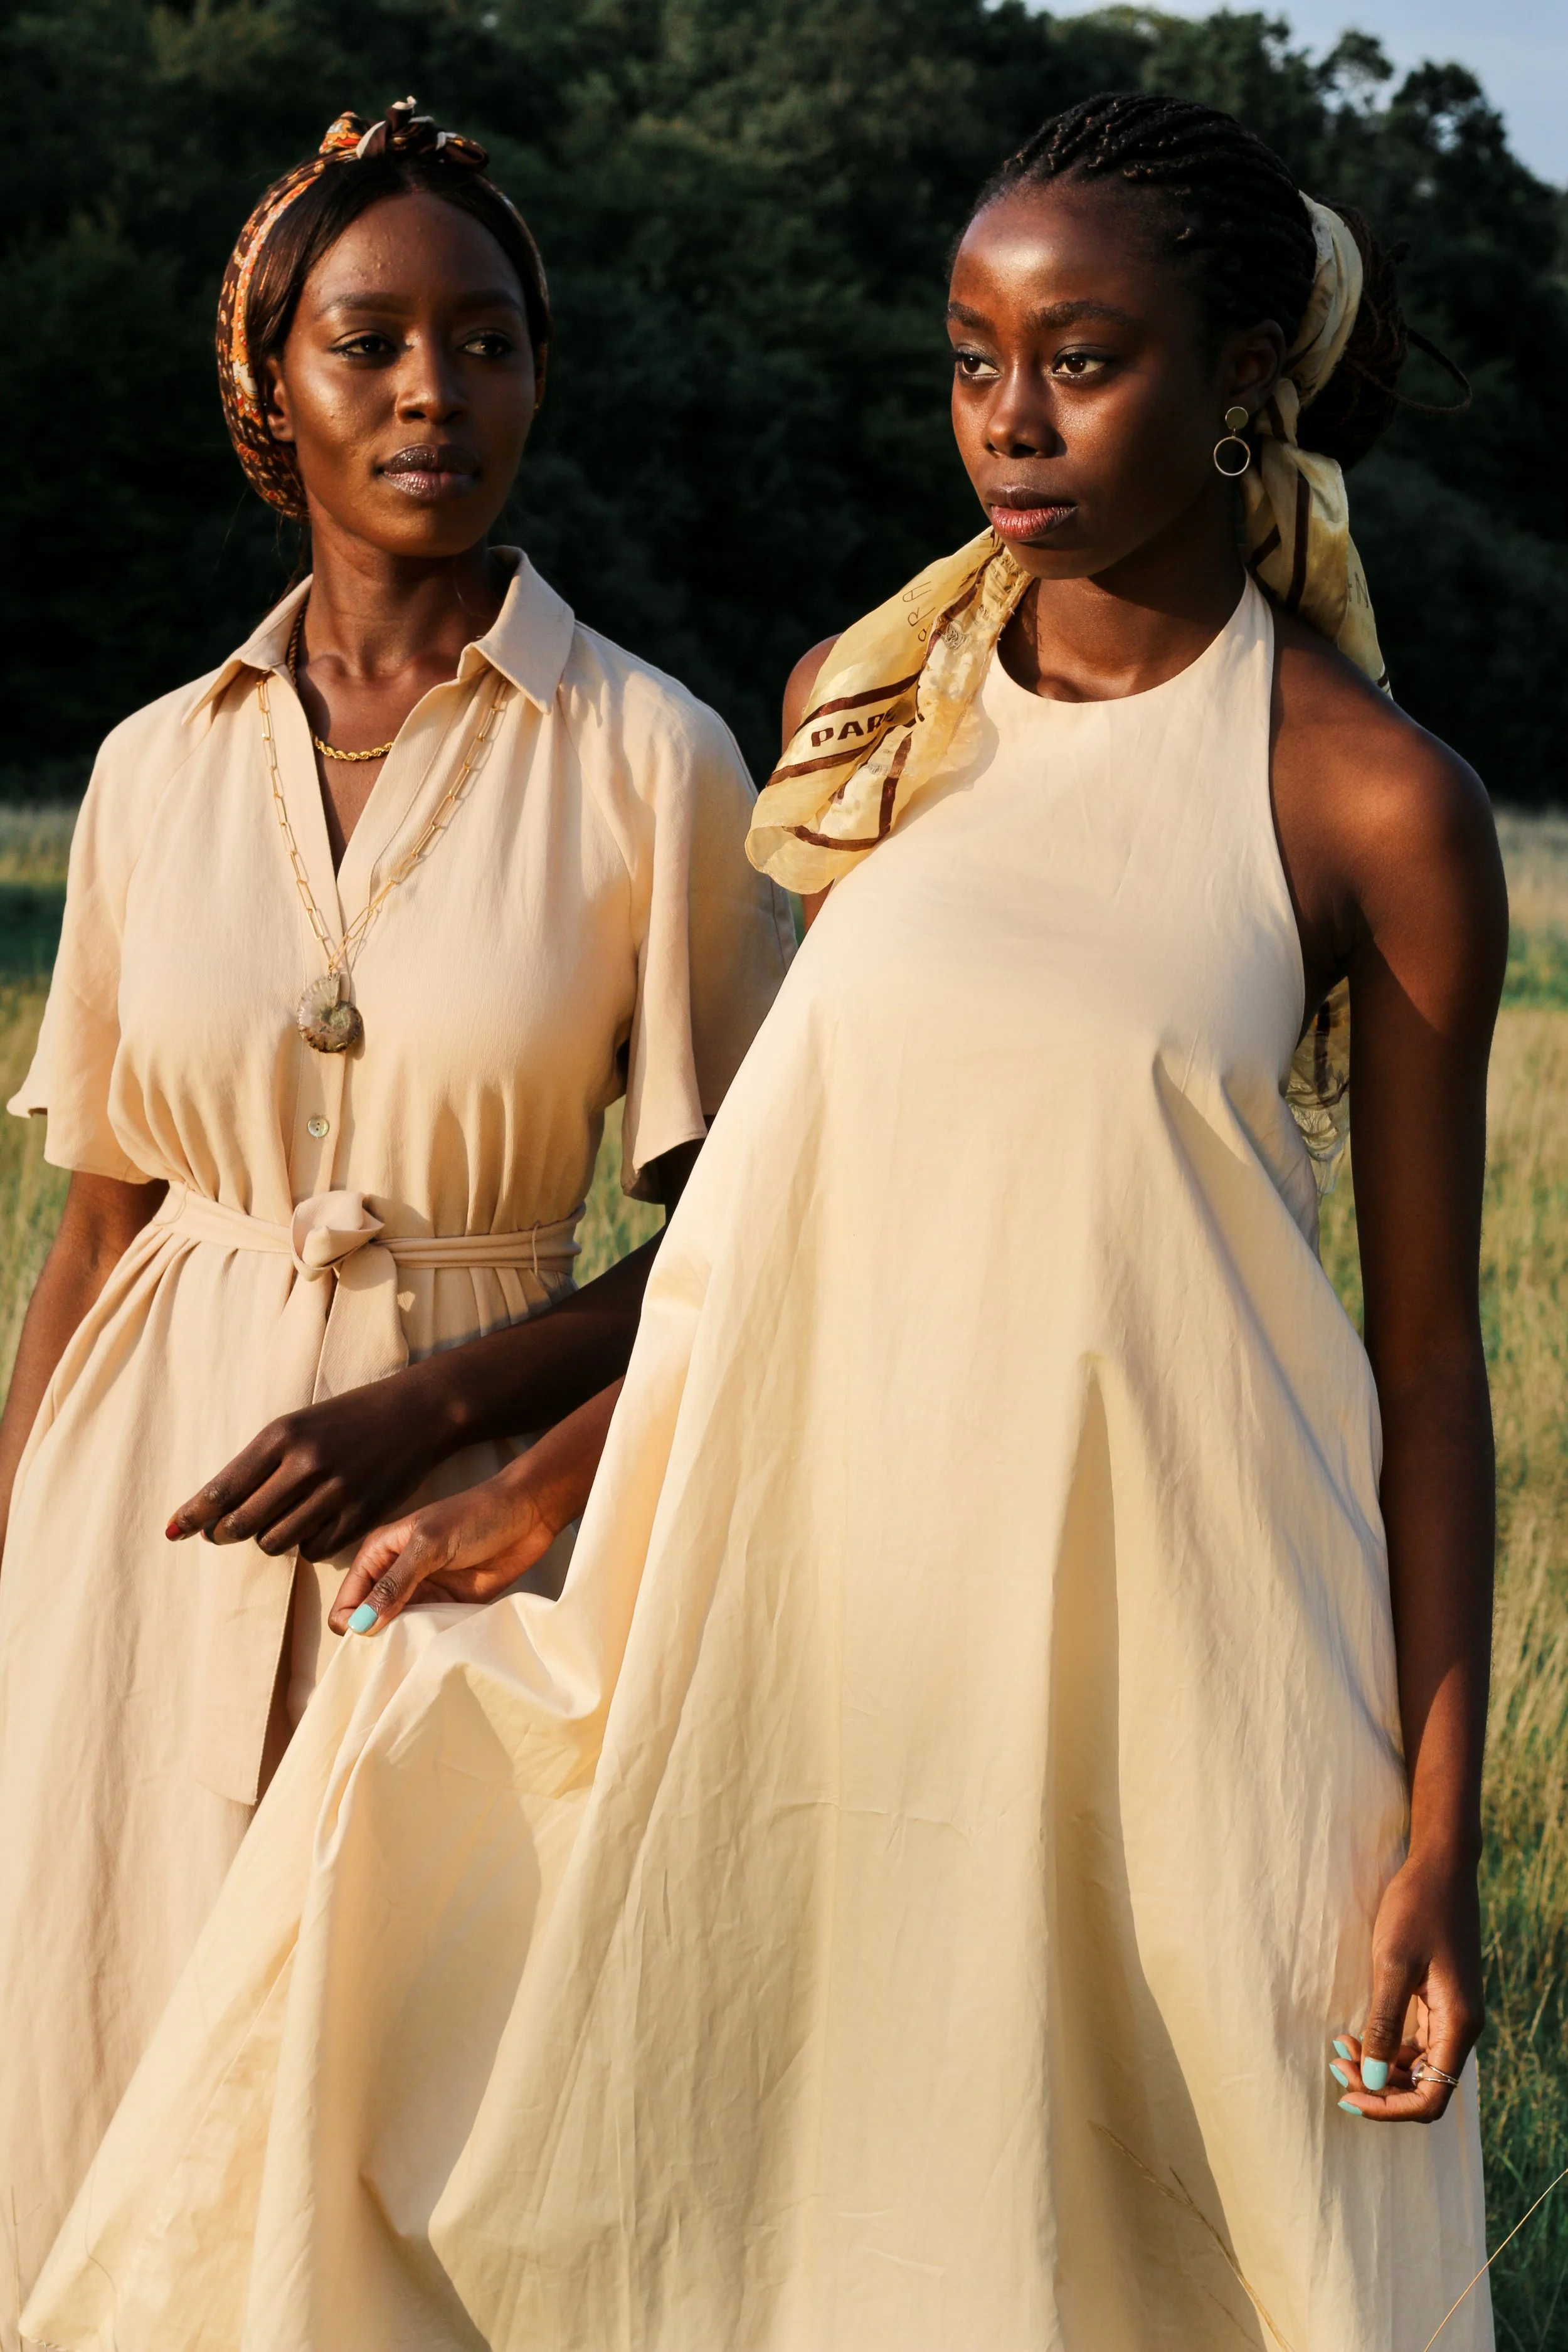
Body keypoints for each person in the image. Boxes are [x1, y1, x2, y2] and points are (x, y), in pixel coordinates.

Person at [26, 92, 1502, 2352]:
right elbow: (771, 1221)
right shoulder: (860, 715)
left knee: (1198, 2253)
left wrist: (1433, 1841)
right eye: (968, 354)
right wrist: (534, 1484)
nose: (1007, 422)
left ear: (1233, 389)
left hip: (1194, 1626)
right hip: (863, 1604)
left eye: (1082, 357)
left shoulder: (1370, 796)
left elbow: (1423, 1367)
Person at [0, 101, 792, 2343]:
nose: (434, 388)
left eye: (488, 341)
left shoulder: (655, 755)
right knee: (92, 2041)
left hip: (461, 1516)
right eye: (369, 341)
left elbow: (747, 1238)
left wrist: (450, 1397)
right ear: (272, 386)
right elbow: (97, 1220)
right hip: (135, 1512)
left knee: (394, 2129)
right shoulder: (156, 762)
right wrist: (12, 1567)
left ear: (542, 378)